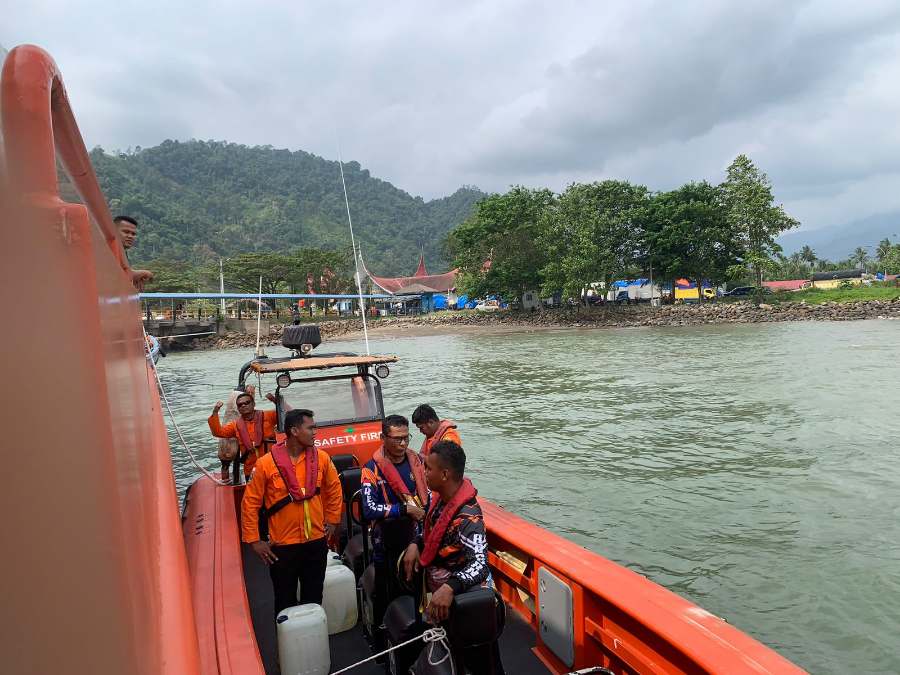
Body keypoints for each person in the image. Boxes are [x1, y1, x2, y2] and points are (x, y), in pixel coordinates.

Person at [402, 440, 504, 674]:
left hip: (465, 602)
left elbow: (480, 564)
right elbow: (427, 530)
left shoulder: (469, 518)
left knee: (481, 663)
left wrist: (450, 587)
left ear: (445, 474)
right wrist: (415, 543)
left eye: (428, 468)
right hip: (439, 596)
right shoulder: (437, 500)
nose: (423, 472)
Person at [241, 409, 343, 615]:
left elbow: (334, 490)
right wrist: (255, 540)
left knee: (314, 597)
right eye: (311, 427)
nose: (316, 431)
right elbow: (250, 503)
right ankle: (288, 642)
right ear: (294, 431)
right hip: (282, 546)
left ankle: (312, 639)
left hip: (315, 540)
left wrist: (332, 521)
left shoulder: (322, 459)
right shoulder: (265, 465)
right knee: (284, 599)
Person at [360, 414, 429, 641]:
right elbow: (369, 509)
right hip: (387, 540)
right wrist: (404, 509)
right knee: (385, 589)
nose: (402, 444)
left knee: (416, 589)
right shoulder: (371, 469)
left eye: (406, 438)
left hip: (415, 536)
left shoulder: (417, 462)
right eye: (396, 439)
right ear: (383, 438)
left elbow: (428, 496)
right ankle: (382, 636)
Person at [208, 386, 278, 482]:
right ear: (238, 408)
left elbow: (288, 416)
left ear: (253, 404)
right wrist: (215, 411)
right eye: (240, 405)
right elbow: (217, 432)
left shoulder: (269, 416)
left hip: (272, 466)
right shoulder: (235, 425)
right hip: (251, 469)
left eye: (247, 403)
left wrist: (276, 402)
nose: (243, 405)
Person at [113, 215, 153, 289]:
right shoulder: (108, 250)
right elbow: (115, 275)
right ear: (113, 231)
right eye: (126, 232)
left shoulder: (122, 252)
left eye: (133, 234)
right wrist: (144, 273)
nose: (130, 236)